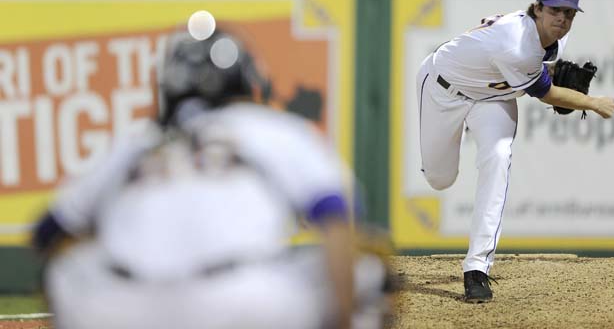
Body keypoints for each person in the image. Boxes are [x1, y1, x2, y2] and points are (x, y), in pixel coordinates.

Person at [32, 27, 389, 328]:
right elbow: (336, 215)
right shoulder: (272, 128)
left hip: (126, 309)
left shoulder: (134, 143)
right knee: (371, 267)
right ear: (245, 82)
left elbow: (48, 233)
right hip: (242, 303)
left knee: (69, 270)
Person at [415, 0, 614, 303]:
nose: (562, 20)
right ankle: (456, 135)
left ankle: (477, 268)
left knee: (498, 156)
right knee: (440, 179)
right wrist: (592, 103)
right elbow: (546, 92)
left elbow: (544, 72)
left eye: (569, 14)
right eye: (555, 11)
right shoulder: (516, 42)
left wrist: (550, 73)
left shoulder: (553, 40)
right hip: (444, 89)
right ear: (537, 9)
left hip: (492, 99)